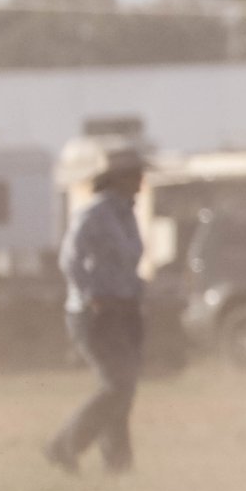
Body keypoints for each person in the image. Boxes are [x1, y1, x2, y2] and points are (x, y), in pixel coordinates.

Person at [45, 147, 148, 474]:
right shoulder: (95, 214)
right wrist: (91, 295)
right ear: (118, 179)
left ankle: (117, 464)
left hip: (123, 308)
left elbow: (127, 263)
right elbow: (70, 259)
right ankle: (64, 445)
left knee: (122, 385)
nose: (142, 181)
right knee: (118, 384)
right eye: (135, 174)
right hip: (96, 312)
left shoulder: (126, 213)